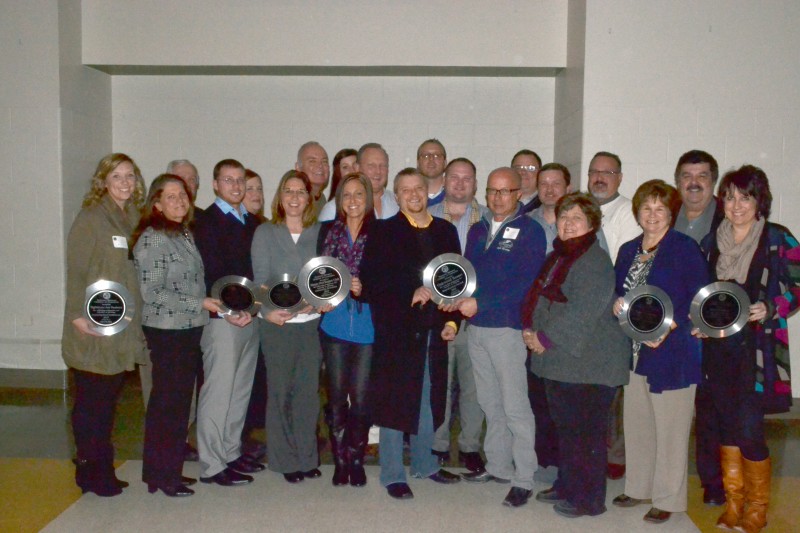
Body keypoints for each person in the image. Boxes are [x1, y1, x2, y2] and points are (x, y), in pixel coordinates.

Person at [694, 165, 799, 533]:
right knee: (725, 427)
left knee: (749, 428)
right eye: (731, 196)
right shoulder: (711, 243)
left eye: (746, 196)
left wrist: (773, 307)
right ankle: (734, 504)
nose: (737, 205)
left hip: (757, 353)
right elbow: (703, 296)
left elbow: (799, 287)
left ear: (760, 201)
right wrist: (699, 322)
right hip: (717, 352)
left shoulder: (777, 239)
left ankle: (757, 508)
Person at [522, 192, 629, 518]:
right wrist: (531, 329)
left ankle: (589, 499)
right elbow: (543, 299)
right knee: (567, 430)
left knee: (586, 435)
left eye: (576, 219)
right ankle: (568, 484)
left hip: (591, 365)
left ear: (592, 225)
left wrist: (543, 336)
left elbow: (583, 311)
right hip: (564, 362)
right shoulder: (560, 255)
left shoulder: (593, 260)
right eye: (564, 217)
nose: (568, 224)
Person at [360, 168, 462, 500]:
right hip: (398, 330)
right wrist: (410, 291)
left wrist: (452, 322)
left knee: (430, 399)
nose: (414, 194)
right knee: (395, 401)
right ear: (396, 194)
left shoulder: (446, 231)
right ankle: (392, 473)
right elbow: (372, 282)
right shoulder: (383, 231)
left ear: (428, 192)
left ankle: (425, 464)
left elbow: (456, 282)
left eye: (418, 188)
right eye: (406, 190)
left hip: (434, 327)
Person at [610, 180, 709, 523]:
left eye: (660, 209)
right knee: (637, 423)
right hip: (635, 351)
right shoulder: (628, 249)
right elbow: (616, 290)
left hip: (673, 351)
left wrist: (668, 327)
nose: (652, 215)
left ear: (671, 213)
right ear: (637, 211)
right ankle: (638, 487)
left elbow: (700, 299)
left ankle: (667, 498)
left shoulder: (684, 248)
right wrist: (616, 303)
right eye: (646, 208)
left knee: (671, 428)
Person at [454, 167, 547, 508]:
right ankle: (498, 466)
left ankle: (523, 477)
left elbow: (525, 284)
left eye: (505, 191)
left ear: (518, 193)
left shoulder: (530, 231)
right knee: (489, 402)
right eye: (492, 191)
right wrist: (451, 294)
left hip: (506, 328)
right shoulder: (478, 230)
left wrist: (480, 302)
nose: (497, 197)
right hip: (476, 328)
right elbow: (467, 274)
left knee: (514, 406)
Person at [132, 174, 225, 497]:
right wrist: (197, 302)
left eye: (182, 195)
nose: (180, 201)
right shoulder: (153, 238)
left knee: (177, 404)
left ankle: (166, 470)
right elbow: (152, 292)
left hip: (187, 328)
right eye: (170, 197)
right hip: (166, 330)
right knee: (167, 405)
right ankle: (160, 474)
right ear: (156, 204)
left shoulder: (182, 232)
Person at [62, 153, 148, 496]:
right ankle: (89, 469)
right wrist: (76, 315)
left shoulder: (133, 216)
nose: (125, 183)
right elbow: (76, 271)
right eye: (117, 177)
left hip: (120, 324)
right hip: (92, 324)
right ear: (103, 182)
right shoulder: (91, 218)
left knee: (108, 400)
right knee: (92, 402)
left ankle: (101, 466)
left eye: (130, 176)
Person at [251, 170, 323, 484]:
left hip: (310, 324)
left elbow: (324, 277)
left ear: (309, 198)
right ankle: (283, 460)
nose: (294, 198)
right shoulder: (266, 232)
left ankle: (307, 457)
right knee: (280, 392)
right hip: (277, 325)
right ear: (280, 197)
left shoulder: (320, 231)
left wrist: (315, 301)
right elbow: (259, 281)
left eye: (300, 192)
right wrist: (267, 312)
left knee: (308, 393)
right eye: (288, 191)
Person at [193, 159, 263, 487]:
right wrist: (226, 312)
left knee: (239, 392)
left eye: (240, 181)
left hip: (250, 318)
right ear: (215, 184)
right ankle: (211, 464)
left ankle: (231, 453)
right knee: (219, 392)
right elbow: (208, 274)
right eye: (228, 180)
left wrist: (256, 308)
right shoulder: (205, 222)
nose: (236, 186)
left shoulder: (250, 222)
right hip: (221, 320)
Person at [672, 150, 726, 506]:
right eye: (687, 176)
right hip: (671, 328)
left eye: (702, 176)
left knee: (711, 412)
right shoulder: (663, 215)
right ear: (677, 181)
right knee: (671, 411)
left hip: (712, 331)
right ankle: (663, 482)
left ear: (713, 181)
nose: (694, 183)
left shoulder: (727, 219)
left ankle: (714, 483)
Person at [428, 158, 488, 473]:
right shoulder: (427, 216)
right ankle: (437, 444)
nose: (460, 183)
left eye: (467, 178)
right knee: (440, 381)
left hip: (475, 314)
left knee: (473, 385)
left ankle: (470, 446)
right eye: (455, 177)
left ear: (475, 184)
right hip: (438, 313)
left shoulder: (489, 220)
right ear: (445, 179)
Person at [317, 173, 376, 487]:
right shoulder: (328, 231)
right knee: (337, 396)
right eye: (347, 195)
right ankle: (340, 461)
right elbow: (318, 275)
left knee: (363, 399)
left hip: (367, 325)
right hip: (335, 322)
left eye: (359, 194)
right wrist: (321, 298)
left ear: (368, 199)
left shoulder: (380, 234)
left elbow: (387, 280)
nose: (353, 201)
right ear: (339, 200)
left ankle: (357, 457)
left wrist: (364, 287)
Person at [587, 150, 641, 480]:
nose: (600, 177)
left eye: (607, 172)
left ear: (619, 178)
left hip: (613, 312)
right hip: (586, 313)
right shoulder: (583, 208)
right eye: (594, 171)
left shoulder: (628, 212)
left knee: (614, 392)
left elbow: (623, 267)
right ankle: (593, 454)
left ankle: (615, 456)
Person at [318, 143, 399, 221]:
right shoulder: (334, 209)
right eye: (371, 166)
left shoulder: (398, 203)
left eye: (383, 166)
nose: (378, 171)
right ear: (357, 168)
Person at [295, 141, 330, 216]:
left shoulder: (321, 199)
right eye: (312, 161)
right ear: (298, 168)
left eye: (324, 161)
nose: (320, 165)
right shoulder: (295, 202)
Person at [417, 138, 447, 207]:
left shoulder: (454, 195)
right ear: (418, 163)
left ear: (445, 163)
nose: (431, 159)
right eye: (426, 156)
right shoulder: (409, 197)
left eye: (437, 156)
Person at [511, 149, 543, 214]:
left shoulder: (546, 207)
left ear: (540, 173)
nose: (523, 172)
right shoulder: (499, 204)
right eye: (518, 168)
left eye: (530, 168)